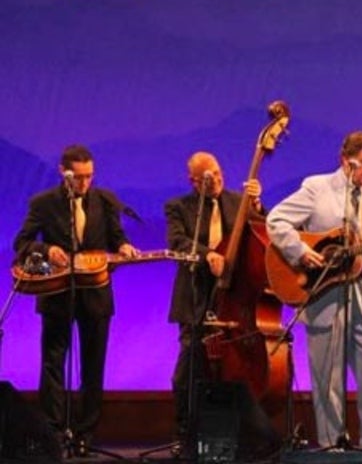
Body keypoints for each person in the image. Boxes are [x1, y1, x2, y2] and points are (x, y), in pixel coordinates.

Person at [267, 130, 362, 456]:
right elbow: (277, 220)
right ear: (345, 161)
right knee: (327, 381)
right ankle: (332, 446)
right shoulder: (316, 188)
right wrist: (299, 251)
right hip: (323, 295)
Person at [12, 144, 138, 457]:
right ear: (63, 173)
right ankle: (53, 432)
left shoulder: (105, 200)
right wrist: (45, 250)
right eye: (78, 178)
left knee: (93, 365)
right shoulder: (44, 203)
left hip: (95, 294)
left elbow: (115, 236)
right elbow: (22, 242)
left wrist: (123, 247)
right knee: (53, 363)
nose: (84, 184)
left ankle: (85, 435)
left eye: (89, 177)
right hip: (57, 294)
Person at [164, 151, 264, 452]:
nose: (217, 181)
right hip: (196, 295)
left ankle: (238, 433)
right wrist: (208, 253)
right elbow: (178, 242)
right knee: (190, 366)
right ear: (194, 181)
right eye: (208, 178)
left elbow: (262, 231)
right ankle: (184, 432)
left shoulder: (239, 202)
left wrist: (257, 206)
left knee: (234, 367)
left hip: (235, 297)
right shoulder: (179, 208)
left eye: (219, 174)